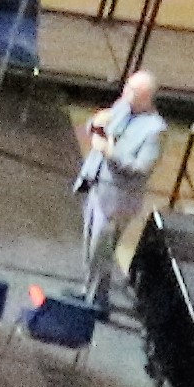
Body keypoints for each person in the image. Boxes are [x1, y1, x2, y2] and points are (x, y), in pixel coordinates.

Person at [66, 68, 163, 298]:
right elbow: (98, 126)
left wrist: (111, 152)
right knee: (90, 244)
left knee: (102, 249)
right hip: (97, 186)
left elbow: (141, 167)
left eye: (131, 90)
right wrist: (94, 124)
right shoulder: (122, 108)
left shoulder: (155, 130)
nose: (125, 92)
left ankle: (98, 299)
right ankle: (88, 291)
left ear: (145, 96)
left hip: (119, 199)